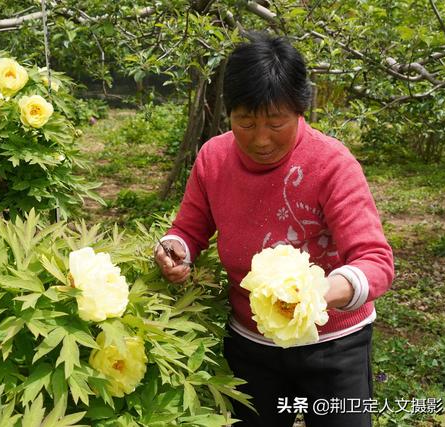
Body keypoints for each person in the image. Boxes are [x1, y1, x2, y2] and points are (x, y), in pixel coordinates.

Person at [154, 32, 394, 427]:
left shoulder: (331, 163)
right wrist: (175, 250)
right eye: (245, 123)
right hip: (251, 345)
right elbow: (188, 230)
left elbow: (375, 260)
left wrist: (316, 296)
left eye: (276, 122)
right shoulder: (214, 159)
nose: (261, 139)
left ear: (301, 110)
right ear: (228, 113)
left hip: (333, 345)